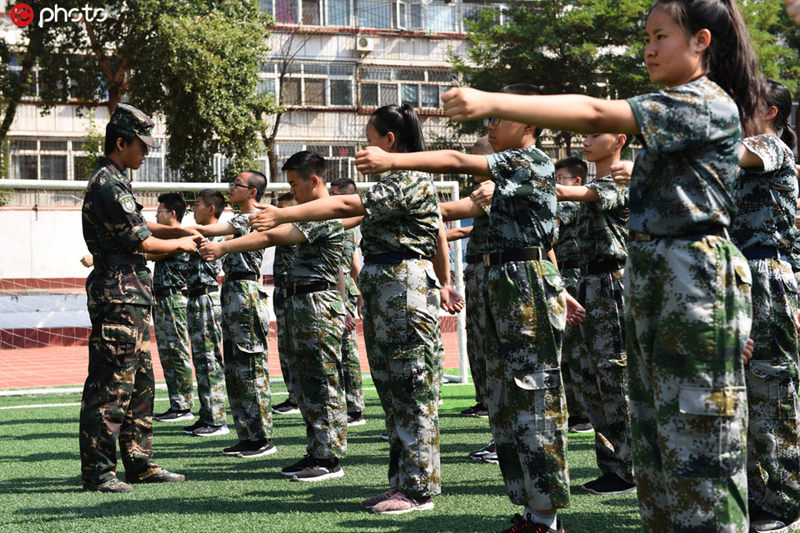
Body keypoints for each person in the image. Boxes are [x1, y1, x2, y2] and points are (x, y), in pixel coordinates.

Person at [440, 0, 761, 529]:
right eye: (647, 37)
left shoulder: (704, 103)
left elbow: (593, 112)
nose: (648, 49)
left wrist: (488, 99)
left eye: (661, 36)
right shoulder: (672, 107)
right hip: (660, 278)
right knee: (658, 442)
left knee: (701, 443)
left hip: (694, 281)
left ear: (701, 40)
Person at [354, 83, 587, 533]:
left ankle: (547, 517)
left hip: (522, 286)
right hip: (503, 285)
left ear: (530, 124)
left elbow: (458, 161)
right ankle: (532, 512)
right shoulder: (506, 177)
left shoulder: (529, 161)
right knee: (503, 405)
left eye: (500, 116)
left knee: (533, 399)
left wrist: (394, 160)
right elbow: (512, 226)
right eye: (490, 116)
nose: (490, 124)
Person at [248, 104, 464, 515]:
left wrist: (283, 212)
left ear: (389, 141)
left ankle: (419, 489)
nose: (364, 150)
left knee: (412, 389)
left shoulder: (412, 180)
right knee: (393, 390)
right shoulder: (397, 181)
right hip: (387, 291)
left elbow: (347, 207)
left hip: (404, 290)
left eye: (369, 140)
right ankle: (402, 482)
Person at [201, 151, 353, 482]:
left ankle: (329, 458)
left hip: (315, 304)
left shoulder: (320, 216)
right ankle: (317, 451)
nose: (292, 192)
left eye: (295, 184)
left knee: (322, 382)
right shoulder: (306, 214)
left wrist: (223, 248)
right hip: (300, 304)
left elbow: (270, 236)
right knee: (306, 383)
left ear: (314, 181)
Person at [79, 103, 196, 493]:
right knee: (111, 384)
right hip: (119, 293)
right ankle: (99, 472)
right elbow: (143, 239)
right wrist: (184, 245)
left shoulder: (116, 180)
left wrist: (182, 235)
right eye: (141, 146)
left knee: (140, 382)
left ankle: (139, 462)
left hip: (130, 292)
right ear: (120, 142)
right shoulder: (109, 184)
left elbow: (142, 228)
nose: (146, 153)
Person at [731, 79, 800, 533]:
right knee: (744, 390)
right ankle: (758, 493)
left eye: (746, 103)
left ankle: (785, 498)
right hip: (739, 275)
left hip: (768, 277)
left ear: (772, 112)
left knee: (772, 389)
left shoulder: (770, 147)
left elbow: (727, 154)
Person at [555, 135, 634, 496]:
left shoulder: (620, 183)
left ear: (619, 140)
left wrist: (538, 187)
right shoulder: (589, 189)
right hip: (588, 283)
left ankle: (630, 468)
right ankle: (611, 465)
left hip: (613, 282)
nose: (586, 141)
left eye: (594, 134)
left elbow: (582, 195)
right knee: (590, 379)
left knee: (615, 376)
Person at [191, 170, 275, 458]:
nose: (231, 188)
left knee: (251, 367)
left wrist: (182, 231)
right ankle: (247, 434)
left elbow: (213, 230)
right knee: (236, 369)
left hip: (245, 291)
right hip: (232, 290)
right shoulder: (241, 218)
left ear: (252, 192)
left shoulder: (252, 218)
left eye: (236, 185)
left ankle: (262, 437)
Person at [181, 189, 229, 437]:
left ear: (211, 209)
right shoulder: (200, 235)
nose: (193, 209)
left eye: (197, 204)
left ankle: (217, 419)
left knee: (210, 358)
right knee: (201, 358)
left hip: (207, 299)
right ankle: (207, 415)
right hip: (196, 298)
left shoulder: (220, 235)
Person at [553, 157, 592, 435]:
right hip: (566, 275)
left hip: (573, 278)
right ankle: (576, 410)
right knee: (568, 352)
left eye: (559, 179)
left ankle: (582, 413)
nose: (555, 184)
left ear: (577, 182)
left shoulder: (571, 205)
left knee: (575, 350)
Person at [148, 192, 194, 423]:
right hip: (162, 300)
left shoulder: (181, 240)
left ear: (172, 214)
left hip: (174, 300)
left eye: (159, 211)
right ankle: (177, 401)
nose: (156, 215)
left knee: (177, 352)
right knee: (167, 353)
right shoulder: (171, 239)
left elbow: (151, 251)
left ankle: (184, 404)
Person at [329, 178, 367, 426]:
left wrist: (357, 295)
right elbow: (355, 263)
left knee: (347, 350)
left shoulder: (345, 224)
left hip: (340, 287)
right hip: (343, 286)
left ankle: (354, 406)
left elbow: (351, 265)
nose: (329, 197)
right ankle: (350, 403)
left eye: (333, 194)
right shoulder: (347, 224)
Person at [271, 192, 302, 416]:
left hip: (294, 293)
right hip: (281, 292)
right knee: (284, 348)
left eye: (284, 209)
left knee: (297, 347)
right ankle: (293, 396)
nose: (279, 213)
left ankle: (301, 396)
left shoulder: (295, 229)